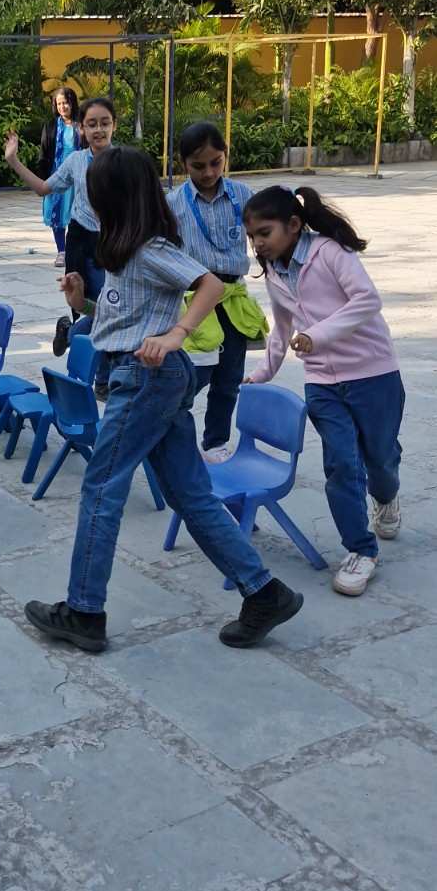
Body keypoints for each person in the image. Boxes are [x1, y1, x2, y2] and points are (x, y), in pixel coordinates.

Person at [24, 146, 303, 654]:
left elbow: (211, 285)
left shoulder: (151, 248)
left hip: (146, 377)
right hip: (144, 375)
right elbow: (123, 319)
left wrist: (177, 333)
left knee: (102, 486)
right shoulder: (125, 249)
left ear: (115, 197)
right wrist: (79, 302)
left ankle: (84, 612)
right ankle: (265, 593)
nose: (87, 195)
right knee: (190, 495)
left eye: (94, 189)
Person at [243, 184, 404, 598]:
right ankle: (360, 550)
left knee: (381, 458)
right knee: (341, 464)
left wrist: (318, 334)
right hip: (322, 384)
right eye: (253, 236)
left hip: (373, 374)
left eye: (265, 232)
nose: (258, 243)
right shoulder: (275, 271)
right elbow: (280, 328)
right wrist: (262, 372)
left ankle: (386, 496)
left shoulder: (330, 252)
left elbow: (367, 300)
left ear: (294, 225)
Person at [167, 121, 266, 461]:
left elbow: (266, 232)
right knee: (194, 374)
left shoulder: (242, 195)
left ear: (225, 157)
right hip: (194, 299)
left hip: (233, 297)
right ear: (183, 165)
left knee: (229, 377)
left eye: (215, 163)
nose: (209, 172)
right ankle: (166, 427)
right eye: (198, 166)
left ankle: (215, 443)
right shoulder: (173, 203)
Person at [4, 94, 116, 387]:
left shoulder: (124, 162)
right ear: (81, 129)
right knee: (92, 307)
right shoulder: (75, 161)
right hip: (81, 241)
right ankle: (99, 376)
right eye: (91, 124)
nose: (98, 130)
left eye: (105, 123)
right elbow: (44, 188)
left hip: (115, 243)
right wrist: (13, 160)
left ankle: (72, 338)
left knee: (109, 308)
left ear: (114, 125)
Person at [38, 87, 81, 267]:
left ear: (72, 103)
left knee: (76, 215)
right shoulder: (51, 126)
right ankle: (61, 251)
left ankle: (74, 250)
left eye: (66, 103)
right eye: (59, 103)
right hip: (57, 175)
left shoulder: (82, 125)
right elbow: (44, 154)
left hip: (78, 176)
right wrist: (43, 179)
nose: (63, 107)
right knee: (57, 215)